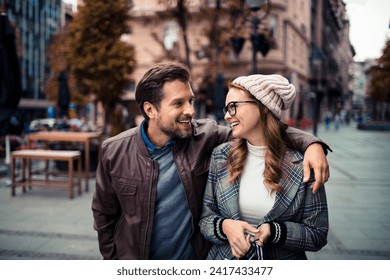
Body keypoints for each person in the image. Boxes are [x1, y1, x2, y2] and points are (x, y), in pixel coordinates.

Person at [92, 62, 331, 260]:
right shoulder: (114, 150)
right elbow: (104, 215)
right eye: (178, 103)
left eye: (191, 101)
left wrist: (311, 144)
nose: (190, 110)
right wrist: (113, 262)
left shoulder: (205, 136)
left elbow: (261, 131)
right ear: (150, 110)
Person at [199, 74, 329, 260]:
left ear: (263, 106)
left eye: (233, 106)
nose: (227, 115)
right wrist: (225, 226)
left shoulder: (303, 163)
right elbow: (205, 220)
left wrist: (276, 231)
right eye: (226, 109)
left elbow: (317, 234)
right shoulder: (221, 156)